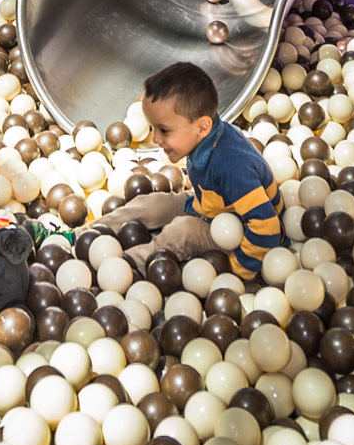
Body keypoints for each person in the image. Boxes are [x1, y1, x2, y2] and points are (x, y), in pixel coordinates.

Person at [89, 60, 280, 282]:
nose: (156, 139)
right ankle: (85, 236)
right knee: (151, 204)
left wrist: (235, 273)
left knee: (183, 231)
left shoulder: (233, 165)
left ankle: (120, 269)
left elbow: (267, 227)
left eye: (164, 130)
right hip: (210, 206)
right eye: (153, 128)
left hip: (239, 231)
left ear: (202, 127)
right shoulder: (204, 139)